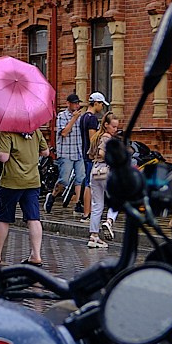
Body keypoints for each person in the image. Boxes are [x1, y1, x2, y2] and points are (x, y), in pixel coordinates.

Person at [0, 123, 47, 265]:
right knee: (33, 218)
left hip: (11, 182)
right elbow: (45, 152)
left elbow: (3, 157)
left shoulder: (6, 131)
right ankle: (36, 255)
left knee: (4, 218)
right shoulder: (35, 130)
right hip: (32, 180)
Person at [80, 93, 111, 249]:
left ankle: (93, 233)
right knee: (94, 190)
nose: (102, 108)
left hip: (89, 159)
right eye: (101, 104)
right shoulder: (92, 119)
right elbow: (94, 141)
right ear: (96, 103)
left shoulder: (83, 117)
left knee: (93, 192)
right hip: (98, 163)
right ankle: (91, 214)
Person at [53, 94, 85, 214]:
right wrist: (73, 119)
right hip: (66, 152)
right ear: (68, 103)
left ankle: (77, 203)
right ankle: (52, 196)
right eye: (75, 103)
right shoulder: (62, 116)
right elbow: (64, 133)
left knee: (80, 178)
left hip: (78, 151)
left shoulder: (80, 117)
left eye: (78, 103)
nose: (77, 105)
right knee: (64, 180)